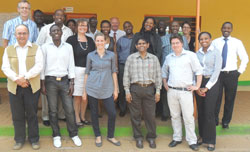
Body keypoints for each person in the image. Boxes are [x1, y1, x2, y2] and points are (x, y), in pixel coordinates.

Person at [1, 24, 43, 150]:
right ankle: (19, 140)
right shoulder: (8, 49)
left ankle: (34, 139)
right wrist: (17, 79)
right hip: (14, 87)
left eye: (24, 33)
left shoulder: (36, 48)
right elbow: (5, 67)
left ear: (28, 34)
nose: (22, 36)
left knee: (32, 114)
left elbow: (39, 65)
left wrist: (25, 77)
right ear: (15, 35)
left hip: (31, 86)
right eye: (19, 33)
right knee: (17, 115)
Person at [41, 24, 81, 148]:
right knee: (52, 110)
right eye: (53, 31)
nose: (56, 32)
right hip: (50, 81)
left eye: (58, 30)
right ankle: (56, 135)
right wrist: (42, 84)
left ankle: (73, 134)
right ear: (50, 33)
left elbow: (71, 64)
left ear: (62, 33)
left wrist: (72, 82)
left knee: (69, 109)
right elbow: (42, 66)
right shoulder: (45, 47)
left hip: (65, 81)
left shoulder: (68, 47)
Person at [162, 34, 202, 151]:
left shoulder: (190, 55)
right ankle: (177, 138)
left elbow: (199, 71)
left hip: (186, 92)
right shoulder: (169, 57)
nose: (175, 45)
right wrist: (165, 84)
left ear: (182, 43)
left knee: (188, 117)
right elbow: (164, 72)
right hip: (172, 91)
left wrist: (197, 86)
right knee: (174, 116)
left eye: (177, 43)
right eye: (173, 43)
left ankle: (192, 141)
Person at [82, 32, 120, 147]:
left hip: (107, 87)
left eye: (101, 40)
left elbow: (114, 72)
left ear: (105, 41)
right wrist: (84, 91)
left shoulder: (111, 55)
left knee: (112, 113)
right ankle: (97, 135)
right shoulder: (90, 55)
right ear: (95, 42)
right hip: (92, 87)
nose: (99, 43)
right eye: (97, 41)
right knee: (94, 113)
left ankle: (110, 136)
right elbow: (87, 73)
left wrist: (116, 89)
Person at [123, 37, 162, 149]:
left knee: (150, 115)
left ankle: (151, 137)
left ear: (148, 45)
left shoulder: (154, 59)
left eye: (144, 43)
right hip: (135, 89)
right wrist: (127, 91)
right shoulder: (131, 58)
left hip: (149, 89)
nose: (141, 45)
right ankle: (138, 137)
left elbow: (158, 75)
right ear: (136, 46)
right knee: (135, 115)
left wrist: (158, 91)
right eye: (139, 44)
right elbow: (126, 75)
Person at [36, 9, 73, 126]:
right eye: (57, 15)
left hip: (62, 67)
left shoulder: (69, 31)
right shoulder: (45, 29)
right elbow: (38, 45)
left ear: (64, 18)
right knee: (47, 96)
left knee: (62, 96)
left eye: (62, 16)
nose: (59, 17)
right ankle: (46, 116)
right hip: (48, 67)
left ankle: (61, 114)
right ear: (53, 16)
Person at [213, 22, 249, 129]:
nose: (226, 29)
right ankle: (215, 119)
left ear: (231, 29)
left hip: (232, 74)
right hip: (218, 74)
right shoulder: (215, 42)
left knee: (230, 99)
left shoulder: (237, 42)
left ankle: (226, 121)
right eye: (224, 27)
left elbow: (245, 58)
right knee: (216, 98)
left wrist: (239, 72)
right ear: (221, 28)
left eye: (228, 28)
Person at [195, 32, 222, 151]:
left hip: (213, 83)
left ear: (210, 39)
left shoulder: (216, 52)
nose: (203, 41)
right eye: (201, 39)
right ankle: (202, 136)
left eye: (206, 38)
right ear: (199, 41)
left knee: (209, 112)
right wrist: (197, 87)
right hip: (200, 82)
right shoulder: (197, 54)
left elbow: (216, 72)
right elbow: (195, 70)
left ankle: (211, 140)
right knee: (201, 112)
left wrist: (207, 87)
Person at [66, 19, 95, 127]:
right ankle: (77, 117)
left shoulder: (90, 40)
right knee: (77, 96)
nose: (83, 27)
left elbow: (94, 56)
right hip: (76, 70)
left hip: (89, 71)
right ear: (77, 27)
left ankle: (83, 116)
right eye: (80, 25)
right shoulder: (71, 40)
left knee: (85, 96)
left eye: (85, 25)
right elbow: (67, 57)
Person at [116, 21, 134, 117]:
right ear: (123, 29)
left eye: (129, 26)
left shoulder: (137, 39)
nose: (128, 28)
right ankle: (123, 108)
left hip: (134, 66)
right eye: (125, 27)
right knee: (122, 88)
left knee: (133, 87)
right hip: (122, 66)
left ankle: (132, 109)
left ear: (132, 27)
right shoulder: (120, 40)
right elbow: (117, 54)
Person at [156, 20, 170, 121]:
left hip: (168, 69)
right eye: (159, 25)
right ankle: (157, 111)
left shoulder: (169, 38)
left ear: (166, 27)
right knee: (157, 90)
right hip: (157, 67)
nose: (161, 26)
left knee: (165, 91)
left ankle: (165, 113)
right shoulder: (156, 37)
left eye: (163, 25)